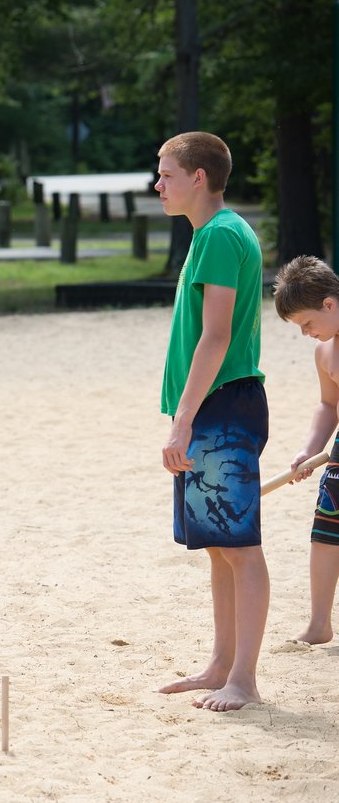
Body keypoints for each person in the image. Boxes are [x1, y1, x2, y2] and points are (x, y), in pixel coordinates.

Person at [156, 131, 269, 711]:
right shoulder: (210, 235)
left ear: (199, 177)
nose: (159, 184)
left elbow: (217, 336)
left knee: (240, 547)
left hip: (223, 405)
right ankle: (221, 665)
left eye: (167, 173)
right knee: (219, 547)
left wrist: (183, 421)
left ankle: (243, 679)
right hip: (213, 405)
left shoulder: (222, 235)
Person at [271, 255, 339, 645]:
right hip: (338, 453)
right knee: (325, 532)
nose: (306, 333)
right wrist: (309, 450)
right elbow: (329, 405)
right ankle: (319, 624)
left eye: (308, 324)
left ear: (329, 304)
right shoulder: (324, 352)